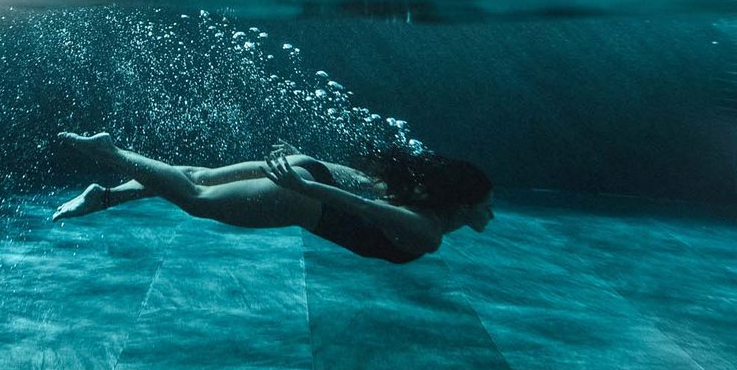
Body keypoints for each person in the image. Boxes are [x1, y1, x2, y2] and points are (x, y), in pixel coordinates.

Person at [52, 131, 494, 263]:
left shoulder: (417, 205)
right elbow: (360, 206)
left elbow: (361, 184)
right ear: (462, 205)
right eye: (485, 205)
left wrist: (306, 166)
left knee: (199, 176)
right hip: (306, 198)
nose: (491, 213)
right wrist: (304, 186)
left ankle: (105, 197)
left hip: (312, 177)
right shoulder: (428, 232)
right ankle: (113, 154)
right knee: (196, 198)